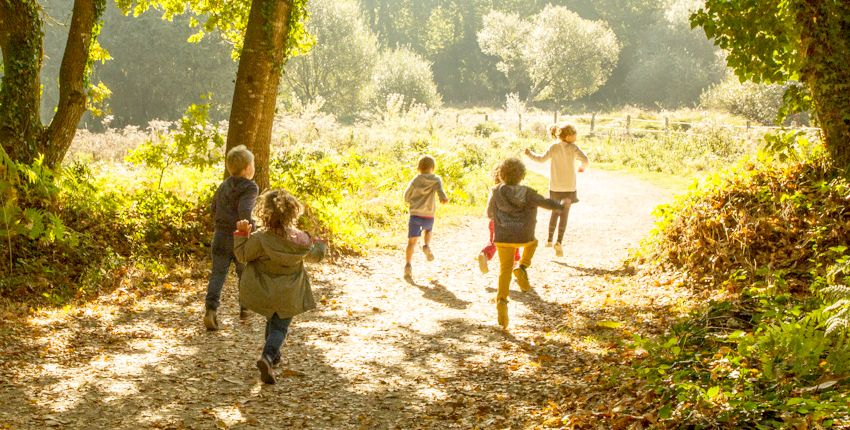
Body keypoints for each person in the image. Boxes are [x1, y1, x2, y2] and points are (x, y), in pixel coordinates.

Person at [234, 189, 327, 385]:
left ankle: (273, 357)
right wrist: (319, 245)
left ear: (263, 212)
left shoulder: (260, 238)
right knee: (279, 328)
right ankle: (268, 357)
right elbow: (316, 256)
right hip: (289, 293)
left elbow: (243, 255)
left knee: (272, 320)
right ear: (293, 213)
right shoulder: (301, 239)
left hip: (265, 291)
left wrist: (242, 234)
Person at [487, 157, 563, 330]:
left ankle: (501, 301)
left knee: (504, 269)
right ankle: (522, 267)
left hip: (503, 236)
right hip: (524, 235)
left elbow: (490, 213)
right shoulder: (528, 192)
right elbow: (545, 202)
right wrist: (559, 205)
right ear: (522, 175)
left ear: (501, 174)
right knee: (533, 243)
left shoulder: (496, 191)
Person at [204, 145, 259, 331]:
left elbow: (213, 208)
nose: (254, 167)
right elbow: (245, 211)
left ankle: (211, 310)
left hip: (220, 235)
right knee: (244, 272)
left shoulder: (224, 184)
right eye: (252, 164)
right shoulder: (250, 187)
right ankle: (245, 308)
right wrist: (251, 229)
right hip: (239, 236)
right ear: (246, 168)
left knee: (218, 274)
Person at [524, 123, 589, 257]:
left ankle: (549, 239)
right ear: (568, 136)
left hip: (555, 187)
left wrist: (529, 154)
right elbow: (586, 160)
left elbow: (541, 159)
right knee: (564, 214)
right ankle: (558, 242)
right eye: (574, 133)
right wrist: (582, 167)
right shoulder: (574, 148)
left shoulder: (553, 147)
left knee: (555, 211)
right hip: (569, 187)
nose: (576, 135)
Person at [403, 155, 448, 281]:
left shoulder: (415, 180)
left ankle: (408, 265)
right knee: (428, 230)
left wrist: (408, 201)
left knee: (411, 242)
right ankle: (426, 245)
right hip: (428, 213)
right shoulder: (436, 179)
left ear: (419, 168)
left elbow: (406, 195)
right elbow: (440, 191)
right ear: (433, 168)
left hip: (415, 213)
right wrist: (443, 198)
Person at [478, 166, 520, 274]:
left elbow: (489, 210)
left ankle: (485, 255)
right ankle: (515, 266)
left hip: (495, 222)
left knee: (493, 243)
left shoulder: (495, 189)